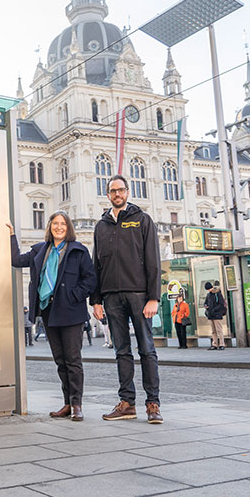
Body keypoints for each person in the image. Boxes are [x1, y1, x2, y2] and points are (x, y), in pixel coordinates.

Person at [8, 212, 96, 422]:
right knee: (60, 361)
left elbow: (90, 279)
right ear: (49, 226)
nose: (58, 227)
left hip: (71, 311)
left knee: (73, 360)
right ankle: (67, 403)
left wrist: (73, 295)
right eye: (55, 223)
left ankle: (77, 405)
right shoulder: (40, 250)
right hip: (49, 311)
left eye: (63, 224)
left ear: (68, 227)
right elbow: (16, 260)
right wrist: (11, 236)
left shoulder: (78, 250)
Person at [90, 175, 164, 424]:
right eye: (112, 191)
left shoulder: (142, 220)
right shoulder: (101, 226)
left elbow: (153, 260)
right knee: (121, 351)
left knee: (147, 349)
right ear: (107, 194)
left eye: (120, 190)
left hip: (139, 295)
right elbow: (96, 264)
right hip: (111, 296)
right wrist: (96, 300)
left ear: (127, 192)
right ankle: (127, 403)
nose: (117, 194)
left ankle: (153, 403)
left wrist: (154, 297)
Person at [203, 281, 227, 351]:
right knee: (213, 331)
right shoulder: (209, 295)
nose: (209, 290)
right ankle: (215, 344)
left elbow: (221, 304)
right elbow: (206, 302)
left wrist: (214, 309)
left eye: (209, 289)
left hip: (217, 315)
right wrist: (205, 305)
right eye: (207, 290)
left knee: (219, 330)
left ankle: (222, 344)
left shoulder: (218, 293)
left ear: (211, 287)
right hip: (210, 315)